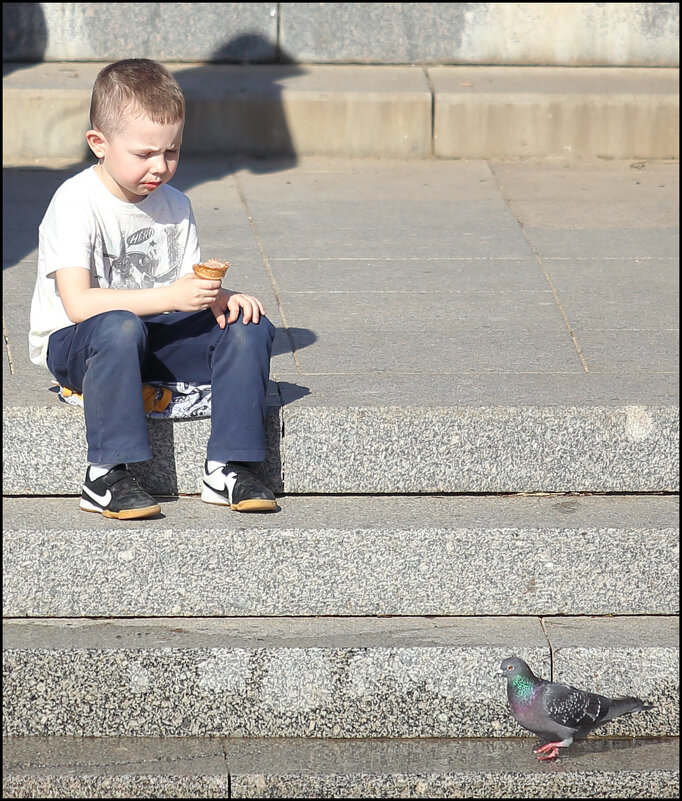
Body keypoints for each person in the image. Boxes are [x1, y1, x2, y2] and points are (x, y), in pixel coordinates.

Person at [29, 58, 278, 519]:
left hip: (154, 336)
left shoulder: (177, 205)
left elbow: (182, 293)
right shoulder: (75, 202)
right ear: (98, 144)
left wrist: (220, 300)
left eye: (172, 151)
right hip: (82, 345)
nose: (160, 167)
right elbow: (79, 303)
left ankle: (227, 466)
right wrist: (169, 298)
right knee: (119, 327)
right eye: (144, 154)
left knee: (250, 327)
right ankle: (104, 474)